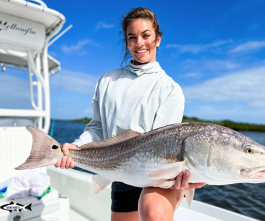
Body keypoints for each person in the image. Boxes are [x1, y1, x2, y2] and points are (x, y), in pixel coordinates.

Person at [55, 7, 206, 221]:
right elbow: (97, 127)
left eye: (146, 35)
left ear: (158, 39)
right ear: (127, 42)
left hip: (159, 176)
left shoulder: (170, 88)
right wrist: (76, 147)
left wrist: (178, 176)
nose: (139, 43)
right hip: (118, 171)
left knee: (154, 213)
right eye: (132, 37)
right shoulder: (107, 80)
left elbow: (165, 144)